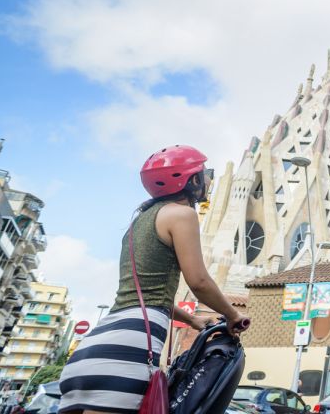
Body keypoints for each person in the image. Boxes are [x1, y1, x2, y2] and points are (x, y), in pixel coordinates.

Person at [59, 145, 251, 414]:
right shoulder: (182, 215)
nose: (209, 179)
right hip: (128, 351)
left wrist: (194, 320)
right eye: (206, 173)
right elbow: (199, 282)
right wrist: (232, 316)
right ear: (192, 180)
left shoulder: (138, 223)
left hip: (91, 350)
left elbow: (149, 296)